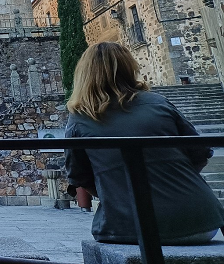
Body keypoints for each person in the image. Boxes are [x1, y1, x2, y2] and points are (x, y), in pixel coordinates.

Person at [65, 42, 224, 244]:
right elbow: (200, 154)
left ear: (83, 74)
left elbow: (79, 176)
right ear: (130, 67)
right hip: (202, 221)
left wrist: (121, 190)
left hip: (131, 226)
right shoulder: (159, 102)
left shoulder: (80, 118)